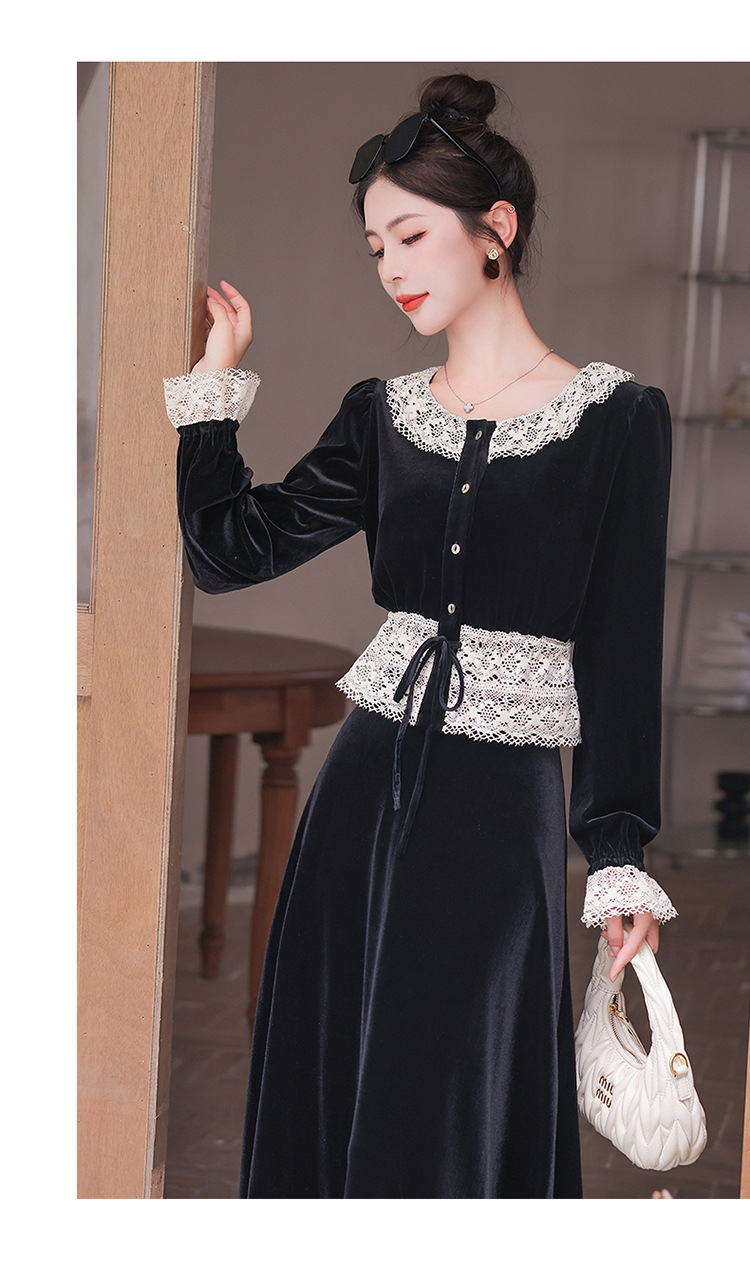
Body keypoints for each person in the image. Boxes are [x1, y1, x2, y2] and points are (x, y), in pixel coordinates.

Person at [163, 72, 678, 1199]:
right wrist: (213, 394)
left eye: (410, 236)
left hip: (500, 809)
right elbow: (229, 552)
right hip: (363, 789)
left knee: (458, 1079)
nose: (391, 267)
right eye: (373, 248)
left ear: (496, 229)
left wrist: (619, 855)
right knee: (338, 1061)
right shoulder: (380, 417)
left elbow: (621, 649)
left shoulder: (616, 421)